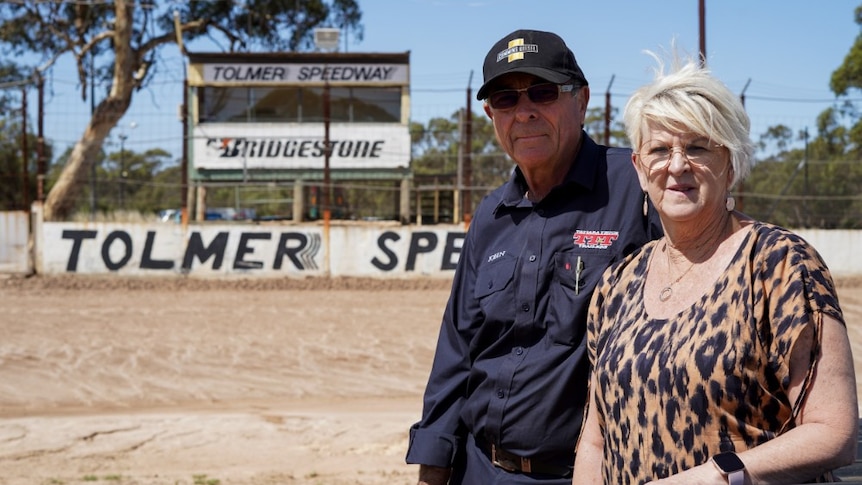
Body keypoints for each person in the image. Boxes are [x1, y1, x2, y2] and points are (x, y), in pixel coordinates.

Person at [572, 50, 859, 485]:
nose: (676, 165)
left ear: (730, 162)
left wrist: (717, 477)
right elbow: (596, 441)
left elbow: (832, 431)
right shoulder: (617, 283)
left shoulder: (778, 264)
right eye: (660, 149)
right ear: (638, 167)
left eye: (697, 147)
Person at [405, 29, 662, 484]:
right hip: (480, 468)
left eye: (542, 93)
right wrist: (432, 467)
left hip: (589, 473)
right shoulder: (490, 215)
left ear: (581, 101)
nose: (523, 112)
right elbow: (457, 352)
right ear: (490, 114)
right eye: (505, 100)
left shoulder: (638, 186)